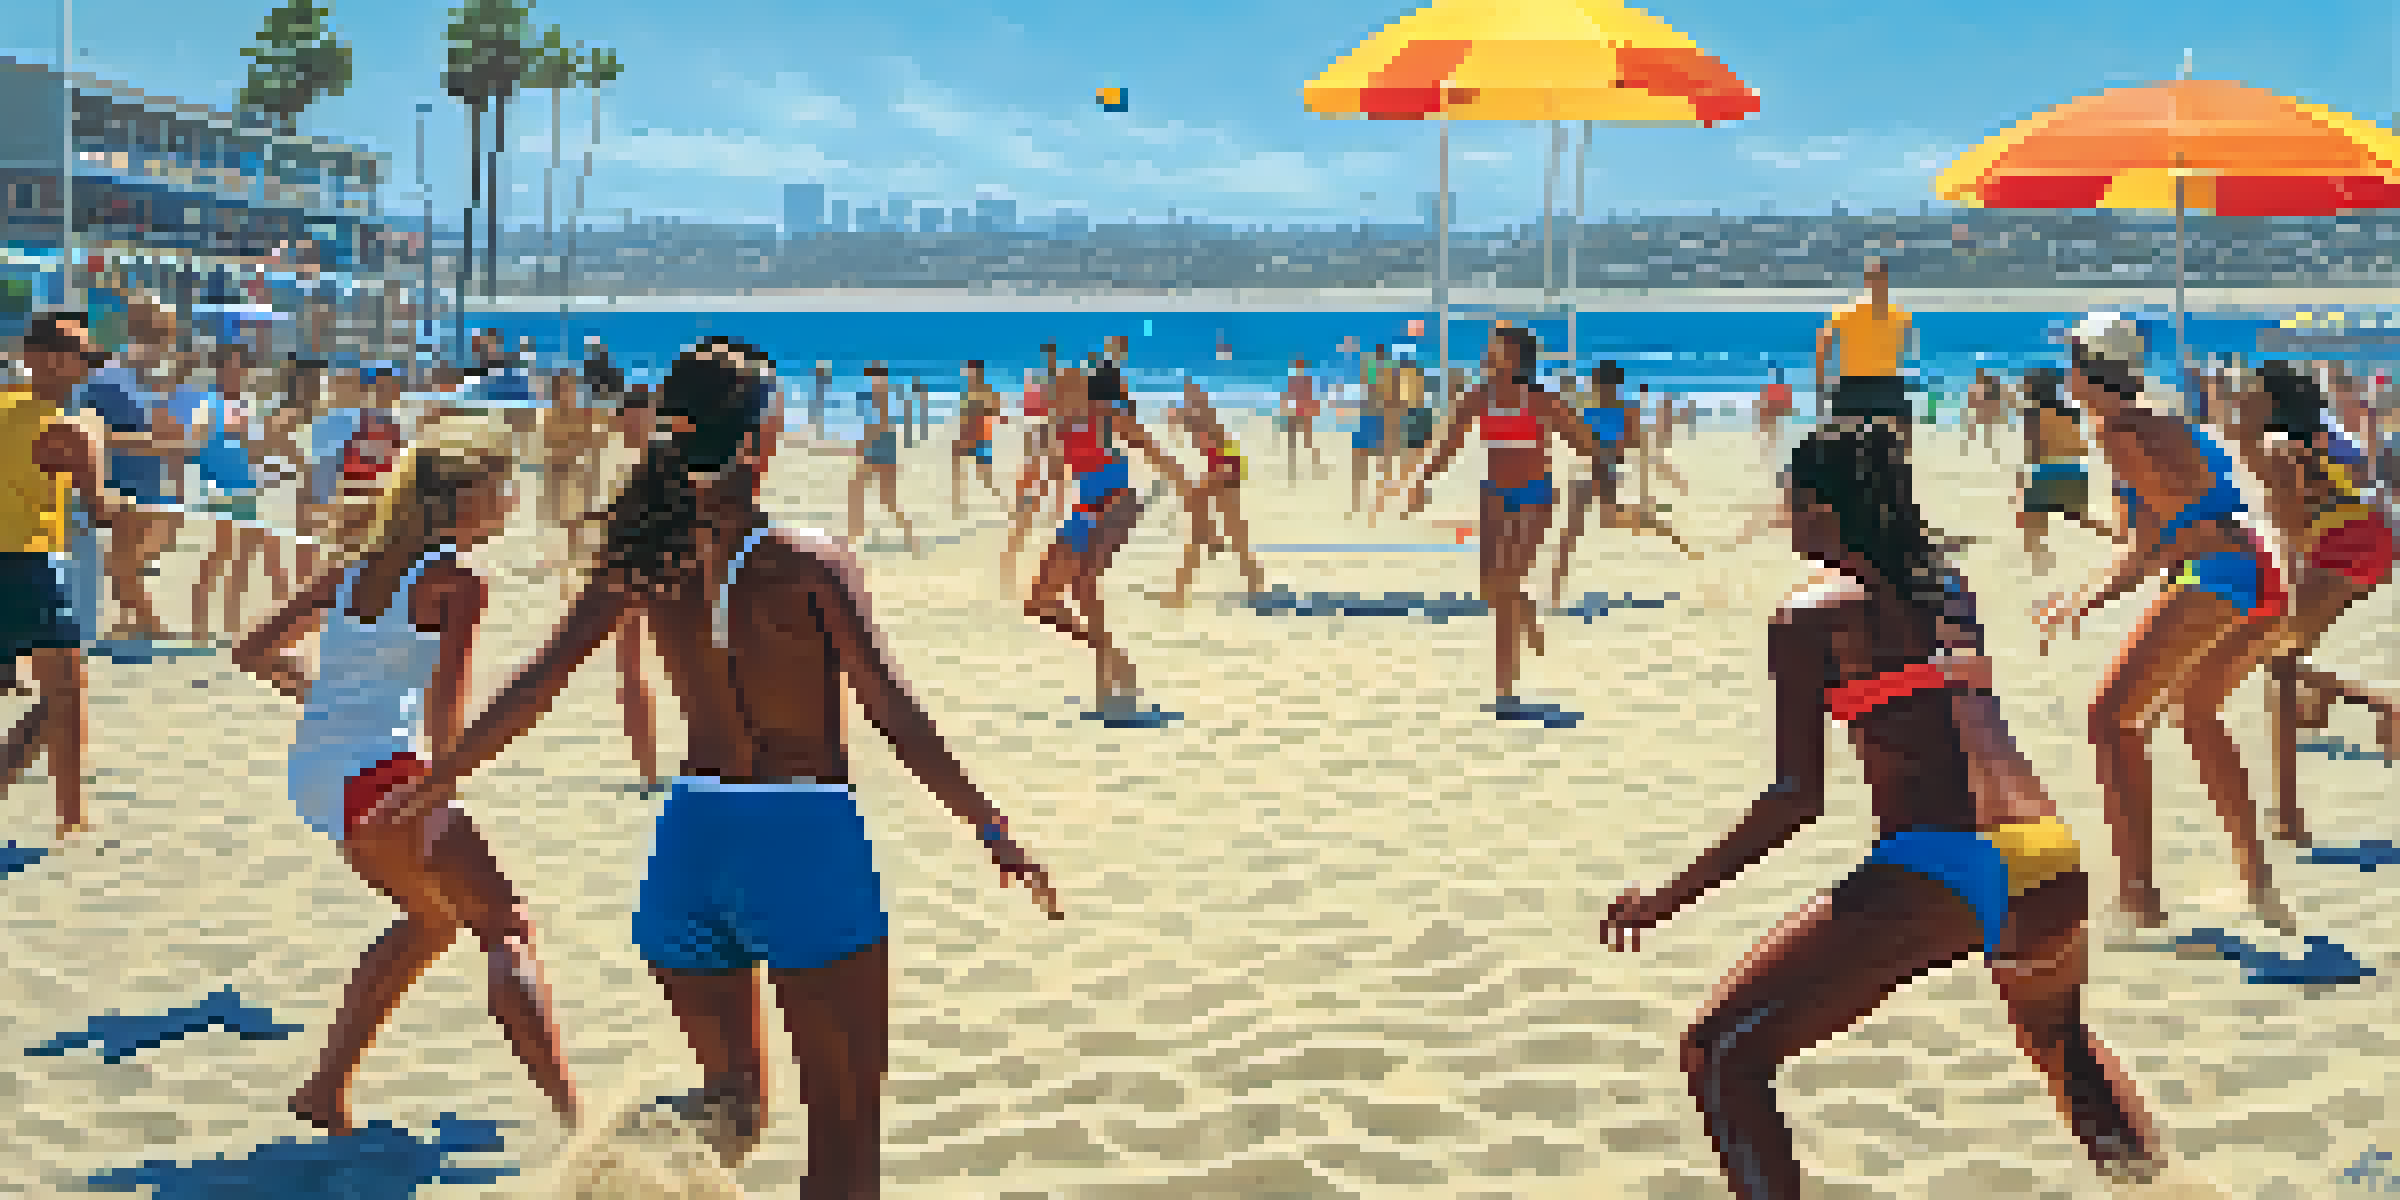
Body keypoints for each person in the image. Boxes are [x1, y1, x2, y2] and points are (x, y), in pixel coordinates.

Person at [365, 339, 1062, 1184]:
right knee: (845, 1143)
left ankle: (614, 1176)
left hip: (689, 849)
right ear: (761, 441)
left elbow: (539, 681)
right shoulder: (809, 565)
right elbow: (894, 713)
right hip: (802, 840)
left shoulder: (645, 554)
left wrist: (445, 774)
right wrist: (990, 824)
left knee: (732, 1107)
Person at [1598, 424, 2165, 1199]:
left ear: (1822, 510)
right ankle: (2157, 1183)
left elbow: (1797, 795)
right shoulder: (1945, 587)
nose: (1784, 515)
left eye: (1791, 501)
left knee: (1720, 1052)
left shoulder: (1809, 617)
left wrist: (1671, 896)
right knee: (2062, 1047)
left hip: (1945, 862)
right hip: (2047, 855)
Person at [232, 416, 578, 1138]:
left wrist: (317, 695)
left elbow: (253, 649)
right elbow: (445, 708)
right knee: (505, 927)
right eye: (498, 490)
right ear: (458, 503)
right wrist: (443, 783)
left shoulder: (355, 569)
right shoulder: (456, 584)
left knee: (429, 922)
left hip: (322, 774)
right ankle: (577, 1120)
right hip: (383, 773)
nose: (510, 501)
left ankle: (325, 1088)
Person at [2036, 313, 2296, 936]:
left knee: (2110, 718)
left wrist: (2090, 597)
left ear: (2087, 370)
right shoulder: (2159, 416)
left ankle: (2138, 899)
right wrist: (2093, 588)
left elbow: (2174, 538)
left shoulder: (2116, 429)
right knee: (2195, 713)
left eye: (2070, 361)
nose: (2064, 374)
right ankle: (2257, 885)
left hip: (2219, 572)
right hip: (2258, 569)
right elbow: (2165, 533)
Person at [1385, 326, 1608, 716]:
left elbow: (1584, 442)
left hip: (1535, 497)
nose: (1488, 357)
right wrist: (1423, 480)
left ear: (1516, 359)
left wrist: (1603, 477)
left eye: (1496, 351)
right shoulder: (1478, 398)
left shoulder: (1540, 401)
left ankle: (1505, 691)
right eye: (1489, 350)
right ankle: (1525, 610)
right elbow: (1450, 444)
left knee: (1505, 584)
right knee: (1492, 590)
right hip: (1493, 497)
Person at [2220, 362, 2399, 847]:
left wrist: (2281, 589)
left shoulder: (2274, 448)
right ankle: (2287, 809)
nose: (2237, 397)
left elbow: (2292, 532)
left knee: (2275, 658)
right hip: (2367, 538)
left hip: (2342, 545)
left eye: (2247, 393)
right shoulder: (2308, 438)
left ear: (2269, 405)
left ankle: (2379, 707)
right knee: (2283, 662)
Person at [1021, 344, 1196, 717]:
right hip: (1084, 510)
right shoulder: (1061, 426)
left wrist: (1189, 495)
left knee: (1084, 584)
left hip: (1118, 503)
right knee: (1039, 602)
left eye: (1062, 387)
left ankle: (1107, 687)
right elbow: (1056, 468)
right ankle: (1115, 659)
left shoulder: (1106, 416)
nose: (1051, 392)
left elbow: (1157, 455)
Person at [0, 313, 118, 839]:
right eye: (80, 359)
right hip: (26, 561)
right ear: (46, 358)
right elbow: (100, 509)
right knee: (65, 692)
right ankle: (70, 819)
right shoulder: (68, 427)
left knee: (41, 691)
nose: (85, 371)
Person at [79, 298, 195, 642]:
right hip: (121, 485)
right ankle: (148, 623)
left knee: (135, 561)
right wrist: (155, 443)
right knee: (125, 562)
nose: (168, 342)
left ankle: (133, 620)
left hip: (147, 484)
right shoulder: (108, 379)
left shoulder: (149, 380)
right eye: (162, 332)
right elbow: (92, 433)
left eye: (170, 334)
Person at [1549, 360, 1699, 607]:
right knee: (1570, 532)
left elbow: (1639, 447)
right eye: (1594, 383)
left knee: (1610, 521)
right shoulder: (1590, 407)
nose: (1595, 387)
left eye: (1597, 383)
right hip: (1589, 472)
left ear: (1609, 385)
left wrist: (1654, 481)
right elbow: (1575, 436)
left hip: (1606, 473)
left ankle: (1668, 531)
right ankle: (1554, 593)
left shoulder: (1624, 411)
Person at [190, 344, 290, 643]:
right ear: (219, 369)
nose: (236, 373)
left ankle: (232, 624)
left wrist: (269, 470)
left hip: (246, 489)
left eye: (241, 367)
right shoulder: (208, 403)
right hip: (218, 490)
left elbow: (256, 450)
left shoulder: (249, 405)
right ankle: (200, 625)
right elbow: (197, 446)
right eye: (229, 366)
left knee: (243, 558)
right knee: (218, 556)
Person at [1159, 376, 1268, 606]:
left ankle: (1182, 589)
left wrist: (1180, 415)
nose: (1190, 401)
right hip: (1227, 466)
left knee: (1210, 528)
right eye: (1189, 397)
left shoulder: (1204, 420)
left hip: (1227, 467)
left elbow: (1222, 450)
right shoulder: (1200, 420)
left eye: (1194, 397)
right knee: (1231, 529)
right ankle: (1254, 582)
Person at [2015, 367, 2120, 574]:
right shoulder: (2070, 411)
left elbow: (2034, 448)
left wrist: (2026, 476)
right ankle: (2118, 535)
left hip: (2048, 469)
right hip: (2074, 469)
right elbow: (2080, 444)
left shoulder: (2033, 414)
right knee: (2080, 517)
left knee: (2031, 519)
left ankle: (2037, 563)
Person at [1815, 258, 1918, 438]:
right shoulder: (1898, 315)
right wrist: (1821, 380)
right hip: (1860, 383)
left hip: (1876, 383)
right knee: (1898, 431)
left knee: (1900, 431)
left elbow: (1823, 342)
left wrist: (1821, 380)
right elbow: (1823, 342)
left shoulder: (1896, 315)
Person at [845, 364, 921, 556]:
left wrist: (864, 447)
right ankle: (857, 534)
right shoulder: (880, 397)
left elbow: (880, 428)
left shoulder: (881, 397)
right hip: (881, 452)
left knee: (875, 496)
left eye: (874, 376)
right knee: (877, 497)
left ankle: (857, 534)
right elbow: (881, 427)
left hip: (880, 453)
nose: (872, 380)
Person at [952, 360, 1004, 518]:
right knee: (961, 468)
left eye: (969, 371)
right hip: (970, 436)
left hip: (979, 437)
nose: (967, 374)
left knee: (984, 472)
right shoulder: (970, 392)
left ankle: (998, 499)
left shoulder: (982, 392)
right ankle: (959, 504)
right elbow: (965, 417)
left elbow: (994, 412)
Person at [1283, 357, 1324, 481]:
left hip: (1301, 415)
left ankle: (1310, 466)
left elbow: (1310, 398)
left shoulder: (1302, 382)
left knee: (1304, 442)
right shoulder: (1300, 382)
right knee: (1297, 443)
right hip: (1298, 415)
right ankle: (1296, 469)